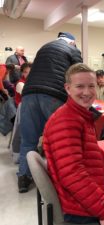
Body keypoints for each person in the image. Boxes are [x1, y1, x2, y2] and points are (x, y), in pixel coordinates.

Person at [43, 63, 104, 225]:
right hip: (79, 206)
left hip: (86, 191)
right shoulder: (66, 122)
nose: (87, 92)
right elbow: (72, 175)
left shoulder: (79, 115)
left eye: (91, 86)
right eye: (80, 86)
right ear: (68, 88)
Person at [17, 32, 83, 193]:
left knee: (28, 140)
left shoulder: (44, 47)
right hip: (54, 96)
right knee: (61, 139)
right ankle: (62, 178)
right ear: (72, 42)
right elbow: (79, 74)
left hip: (29, 94)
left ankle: (24, 178)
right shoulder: (72, 49)